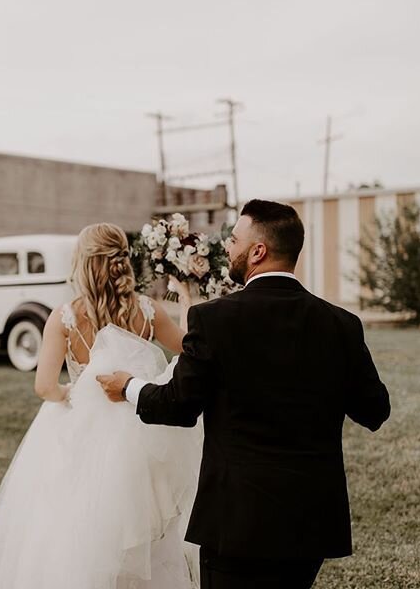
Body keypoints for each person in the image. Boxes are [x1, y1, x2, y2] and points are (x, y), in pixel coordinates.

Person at [98, 199, 391, 589]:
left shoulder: (213, 320)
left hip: (237, 522)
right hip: (311, 521)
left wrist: (128, 385)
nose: (228, 249)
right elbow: (375, 411)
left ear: (258, 251)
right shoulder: (342, 325)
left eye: (234, 240)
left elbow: (177, 405)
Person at [0, 222, 202, 589]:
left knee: (73, 531)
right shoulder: (148, 310)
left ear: (84, 263)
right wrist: (187, 303)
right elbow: (190, 350)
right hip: (141, 432)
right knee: (143, 527)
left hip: (82, 435)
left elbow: (44, 386)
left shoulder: (65, 317)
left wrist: (75, 394)